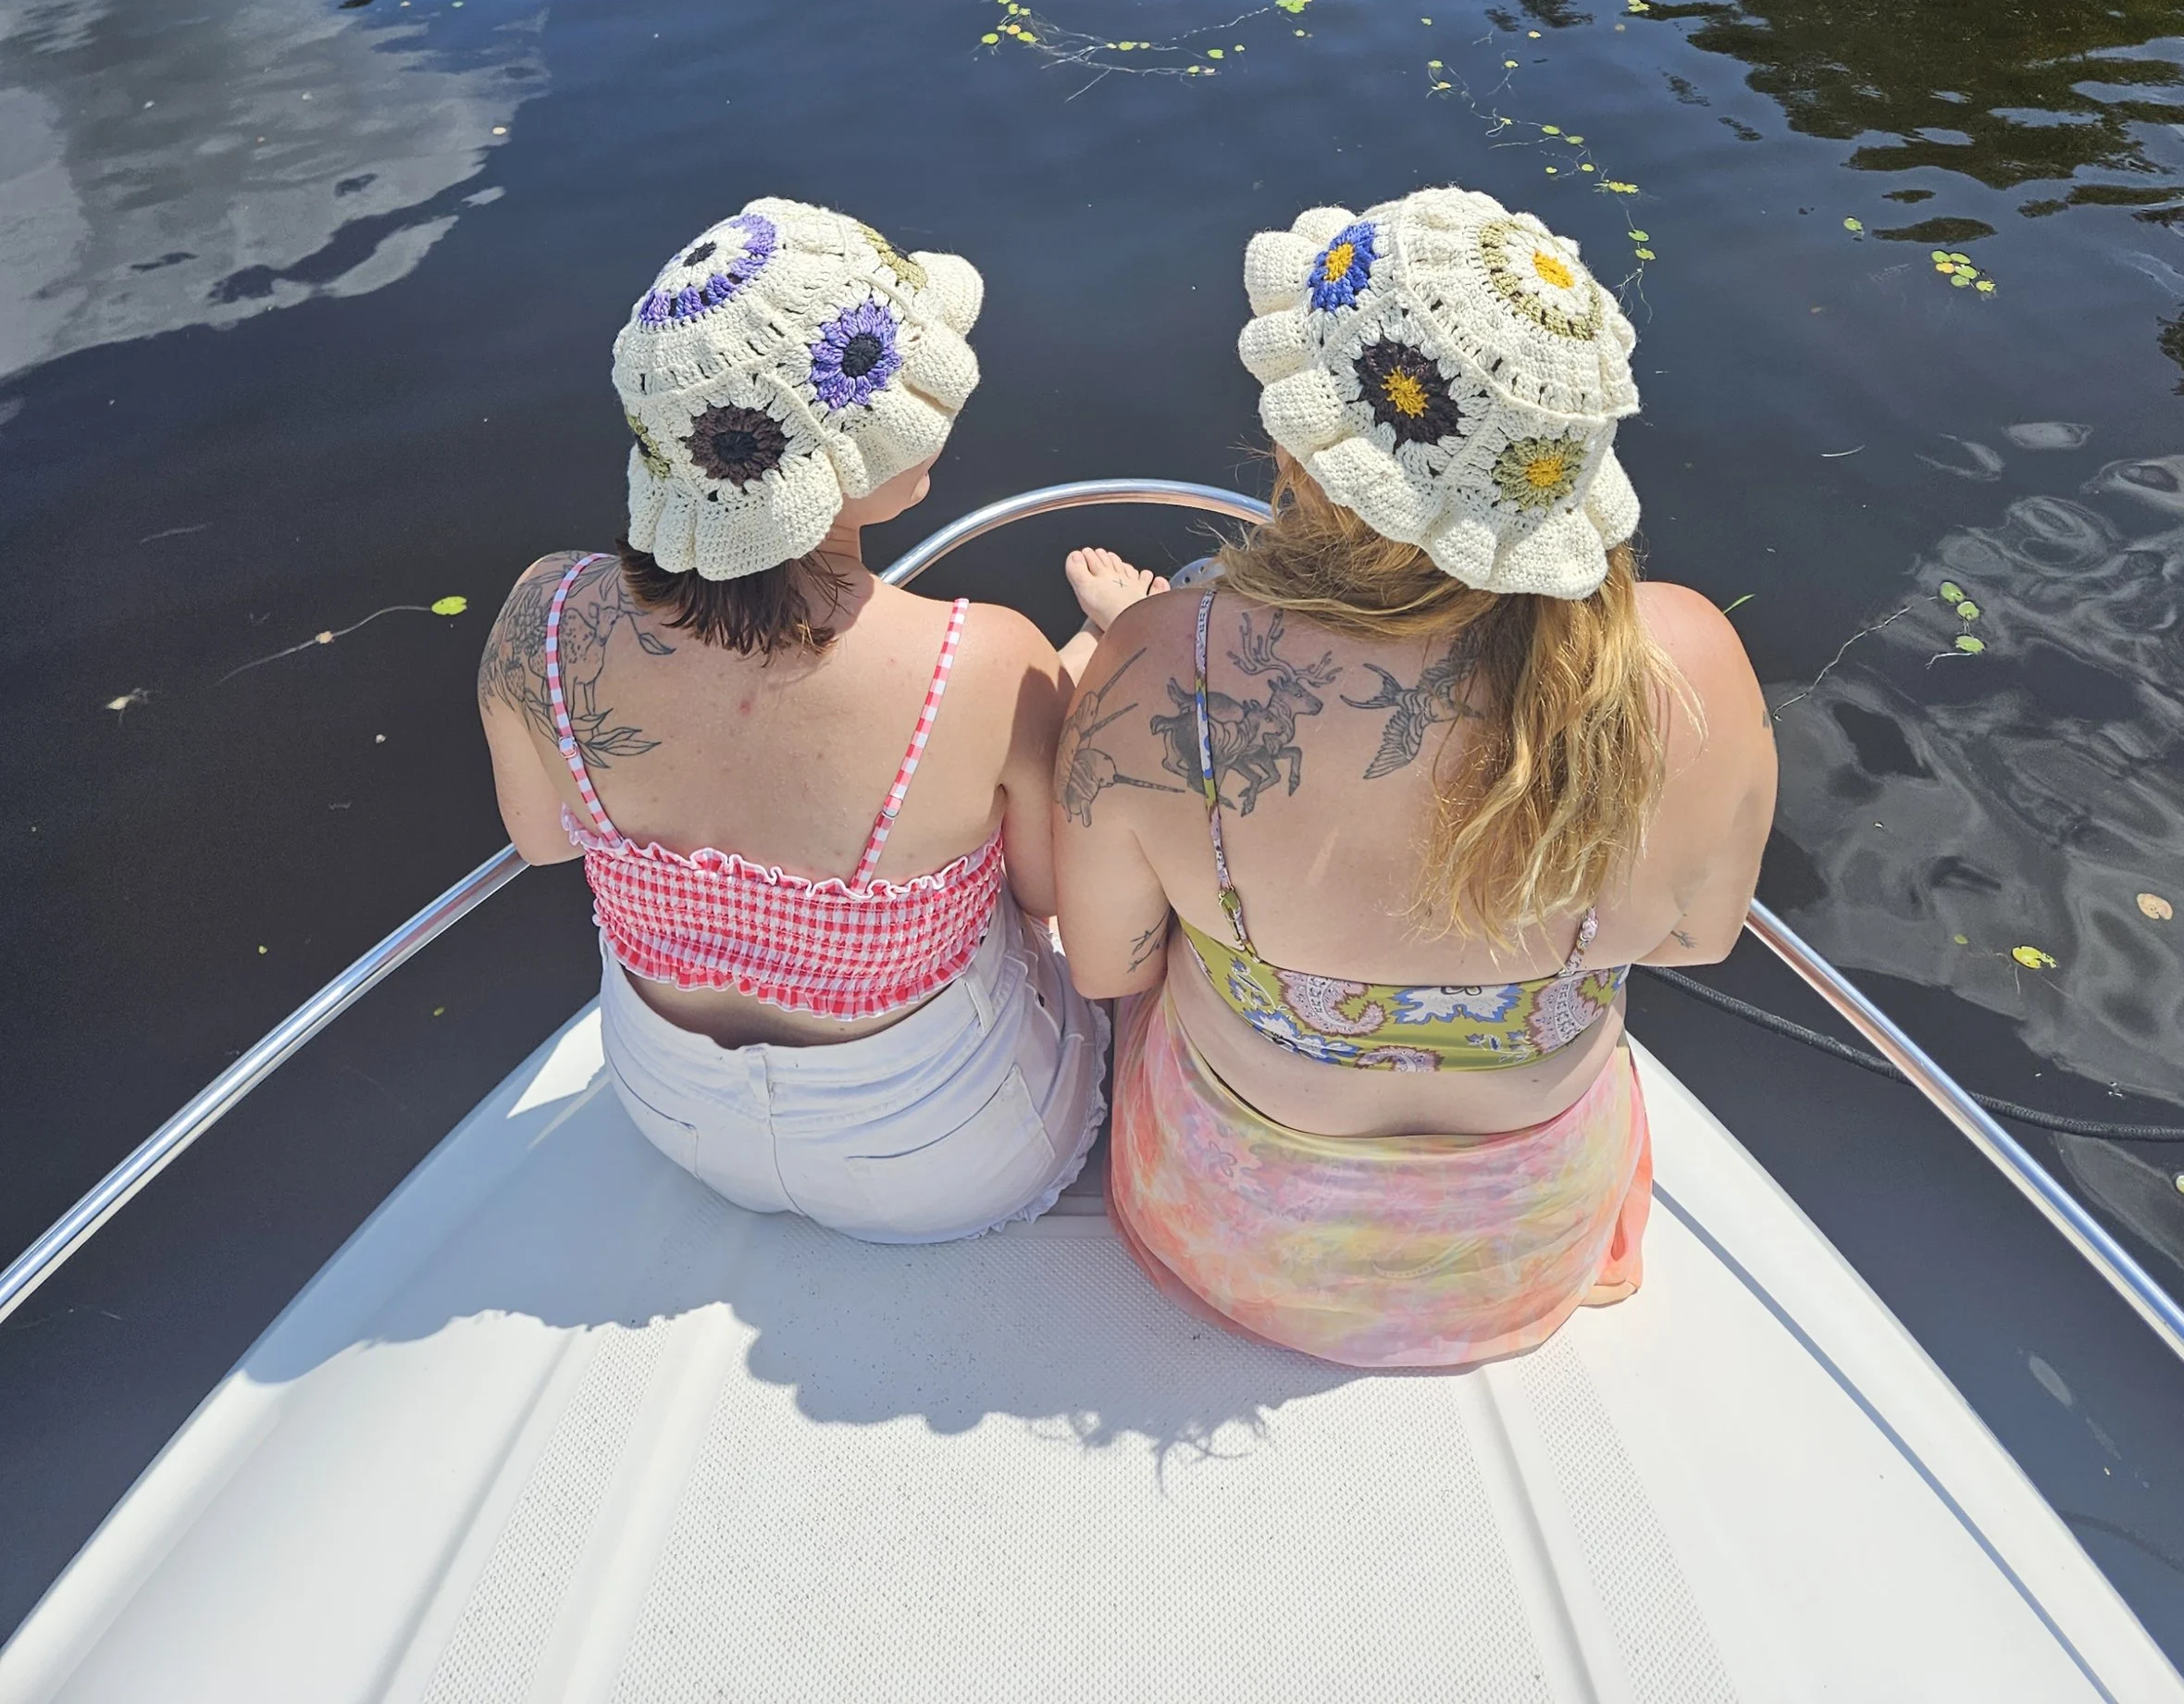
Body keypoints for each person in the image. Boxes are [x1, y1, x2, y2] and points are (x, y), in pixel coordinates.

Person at [1053, 185, 1775, 1369]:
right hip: (1523, 1245)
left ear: (1307, 455)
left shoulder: (1162, 667)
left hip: (1240, 1233)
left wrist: (1141, 633)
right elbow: (1698, 940)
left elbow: (1107, 964)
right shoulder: (1687, 663)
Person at [478, 194, 1118, 1243]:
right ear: (837, 457)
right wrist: (1092, 666)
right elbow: (1051, 899)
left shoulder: (541, 616)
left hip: (672, 1116)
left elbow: (543, 842)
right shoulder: (984, 657)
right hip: (942, 1154)